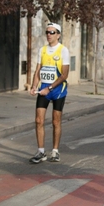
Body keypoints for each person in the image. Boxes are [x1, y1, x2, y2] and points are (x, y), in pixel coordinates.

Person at [29, 22, 70, 164]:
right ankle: (41, 152)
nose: (49, 35)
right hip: (43, 90)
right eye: (47, 32)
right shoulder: (43, 50)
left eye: (52, 32)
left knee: (55, 121)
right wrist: (34, 86)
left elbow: (64, 75)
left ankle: (55, 151)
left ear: (58, 35)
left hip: (58, 90)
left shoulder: (63, 50)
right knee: (39, 120)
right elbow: (38, 71)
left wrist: (50, 88)